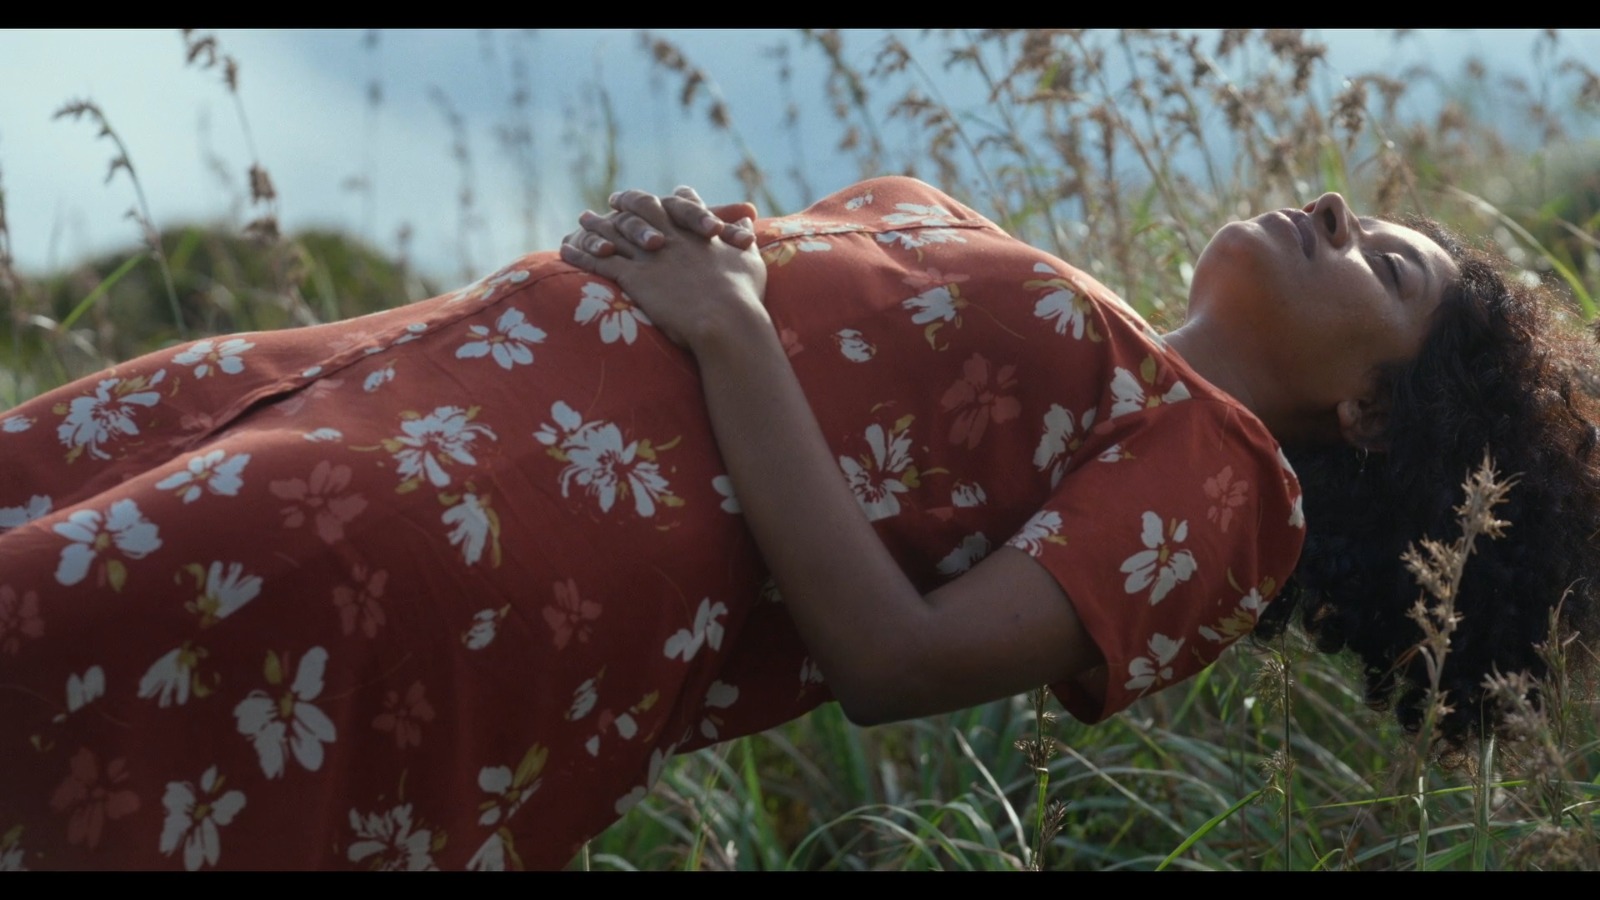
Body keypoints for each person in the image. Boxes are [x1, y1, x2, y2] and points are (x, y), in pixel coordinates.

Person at [0, 175, 1591, 871]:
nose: (1336, 209)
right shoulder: (1077, 313)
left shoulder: (1229, 486)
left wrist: (730, 323)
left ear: (1374, 414)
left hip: (462, 528)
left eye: (1385, 265)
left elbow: (895, 657)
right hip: (375, 384)